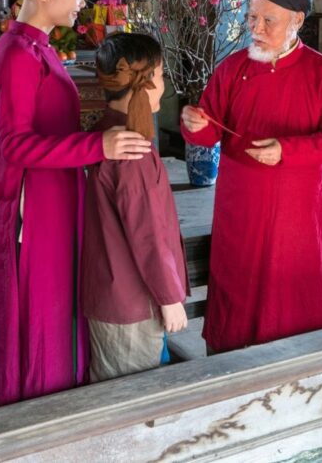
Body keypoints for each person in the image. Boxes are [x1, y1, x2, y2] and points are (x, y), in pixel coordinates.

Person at [0, 0, 152, 409]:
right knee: (38, 318)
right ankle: (33, 417)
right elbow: (15, 145)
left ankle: (60, 409)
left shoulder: (38, 48)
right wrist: (97, 145)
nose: (82, 2)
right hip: (31, 214)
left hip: (53, 205)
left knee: (56, 313)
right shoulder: (17, 56)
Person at [180, 0, 322, 354]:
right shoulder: (233, 68)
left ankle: (292, 368)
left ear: (297, 21)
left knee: (289, 296)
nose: (256, 29)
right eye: (252, 18)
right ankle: (227, 363)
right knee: (237, 292)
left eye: (268, 20)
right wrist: (195, 125)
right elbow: (209, 131)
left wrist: (286, 150)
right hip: (240, 209)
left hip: (295, 213)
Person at [82, 32, 190, 382]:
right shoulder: (131, 151)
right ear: (143, 84)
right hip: (132, 300)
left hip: (113, 290)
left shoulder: (106, 133)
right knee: (130, 395)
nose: (164, 84)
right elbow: (148, 235)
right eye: (160, 75)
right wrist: (169, 298)